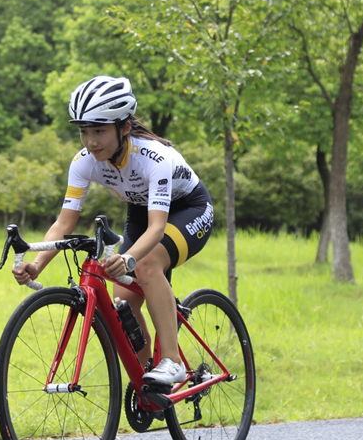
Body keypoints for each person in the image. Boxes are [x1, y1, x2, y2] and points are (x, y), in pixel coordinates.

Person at [12, 76, 214, 386]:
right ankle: (150, 380)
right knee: (123, 304)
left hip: (188, 209)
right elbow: (64, 224)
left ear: (124, 127)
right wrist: (36, 265)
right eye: (84, 131)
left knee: (146, 265)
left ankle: (172, 360)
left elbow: (158, 228)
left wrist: (129, 258)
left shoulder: (154, 158)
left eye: (99, 130)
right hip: (140, 212)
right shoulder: (83, 163)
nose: (91, 141)